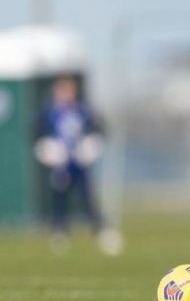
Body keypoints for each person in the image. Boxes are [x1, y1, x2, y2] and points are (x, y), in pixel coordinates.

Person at [35, 76, 122, 256]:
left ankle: (100, 231)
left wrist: (91, 144)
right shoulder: (49, 113)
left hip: (79, 162)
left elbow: (99, 129)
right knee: (60, 198)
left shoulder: (82, 111)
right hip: (60, 164)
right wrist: (46, 149)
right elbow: (36, 133)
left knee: (87, 197)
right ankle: (59, 232)